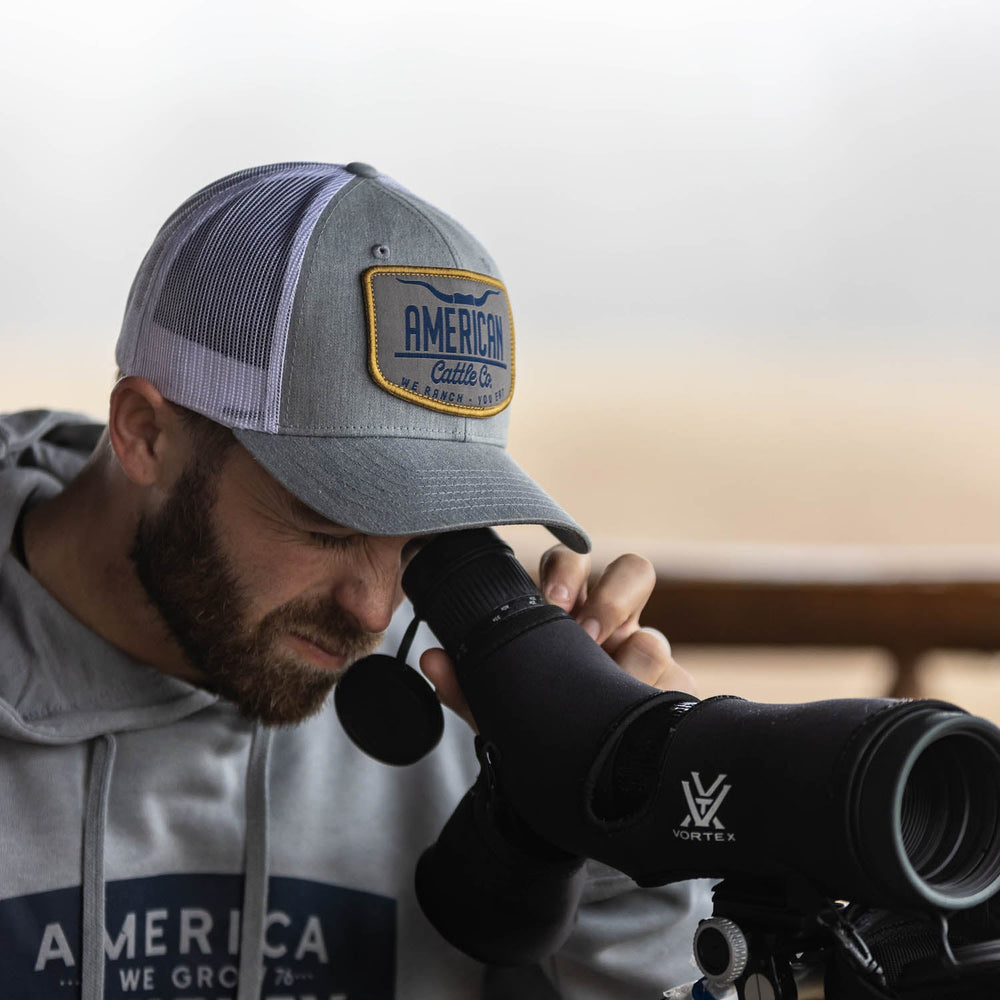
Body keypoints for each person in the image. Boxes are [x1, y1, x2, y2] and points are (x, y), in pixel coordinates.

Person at [0, 161, 709, 1000]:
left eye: (424, 542)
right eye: (325, 526)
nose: (375, 610)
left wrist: (619, 812)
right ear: (145, 434)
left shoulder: (471, 702)